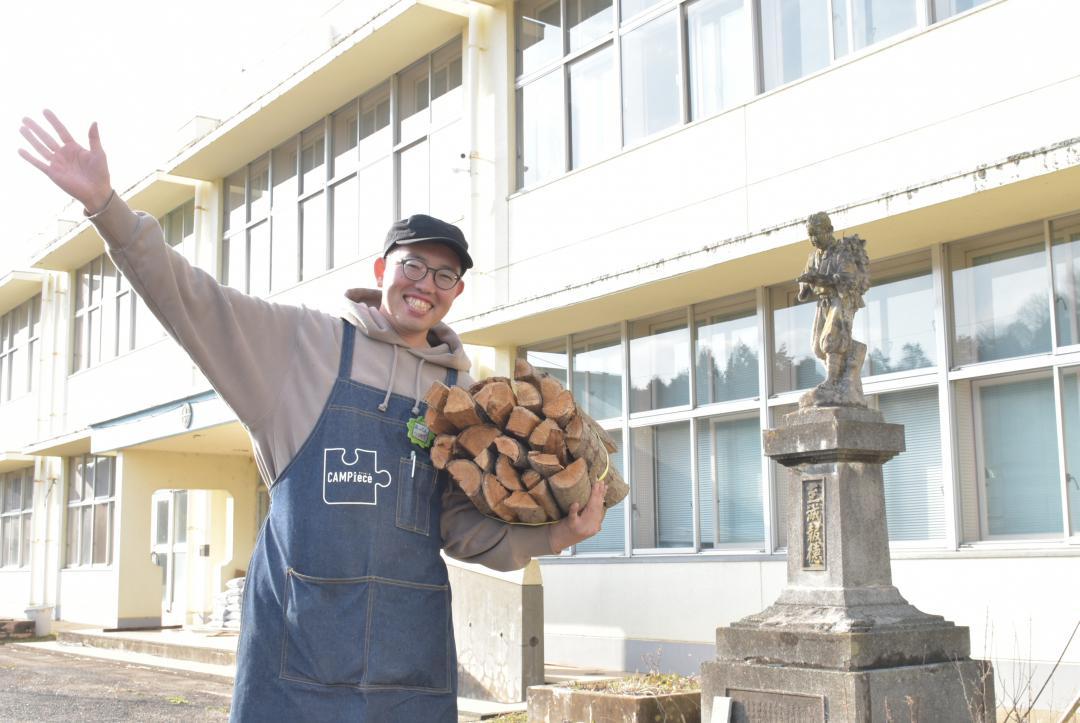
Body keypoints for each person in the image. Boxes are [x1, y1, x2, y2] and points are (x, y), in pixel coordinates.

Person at [19, 110, 607, 722]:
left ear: (456, 290)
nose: (425, 284)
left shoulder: (463, 395)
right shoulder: (303, 345)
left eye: (444, 274)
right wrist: (107, 208)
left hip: (410, 660)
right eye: (412, 265)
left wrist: (557, 535)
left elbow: (459, 527)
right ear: (382, 270)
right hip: (297, 656)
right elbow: (192, 298)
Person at [795, 211, 870, 407]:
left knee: (831, 337)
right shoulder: (813, 258)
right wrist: (804, 286)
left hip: (842, 299)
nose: (814, 239)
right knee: (817, 346)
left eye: (817, 233)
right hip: (823, 302)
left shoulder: (841, 253)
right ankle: (852, 356)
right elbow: (805, 288)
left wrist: (819, 279)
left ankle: (831, 381)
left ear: (829, 230)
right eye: (810, 234)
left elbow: (847, 279)